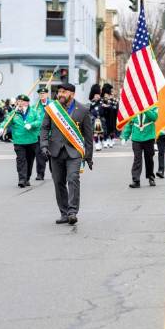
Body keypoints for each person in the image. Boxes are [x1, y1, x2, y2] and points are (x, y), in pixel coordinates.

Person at [40, 83, 94, 225]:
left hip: (74, 152)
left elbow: (88, 135)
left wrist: (89, 156)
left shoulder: (82, 110)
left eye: (64, 92)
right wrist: (44, 145)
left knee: (73, 179)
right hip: (55, 151)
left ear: (72, 94)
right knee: (59, 183)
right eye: (59, 92)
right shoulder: (52, 109)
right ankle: (64, 213)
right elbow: (44, 129)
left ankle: (72, 212)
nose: (60, 94)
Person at [8, 94, 42, 188]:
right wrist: (1, 128)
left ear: (27, 103)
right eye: (19, 101)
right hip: (19, 141)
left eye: (23, 101)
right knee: (21, 160)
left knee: (30, 160)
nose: (20, 103)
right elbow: (6, 121)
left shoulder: (34, 112)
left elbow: (39, 122)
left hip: (31, 140)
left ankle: (27, 178)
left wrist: (31, 124)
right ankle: (22, 179)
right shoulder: (13, 113)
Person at [121, 107, 158, 188]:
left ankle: (151, 177)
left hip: (148, 137)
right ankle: (136, 180)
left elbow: (154, 117)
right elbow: (130, 124)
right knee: (137, 159)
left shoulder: (153, 106)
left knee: (149, 158)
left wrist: (145, 109)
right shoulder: (134, 108)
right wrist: (125, 137)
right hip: (136, 138)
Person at [33, 87, 51, 180]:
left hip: (51, 133)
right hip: (39, 134)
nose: (42, 95)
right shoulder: (35, 106)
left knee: (53, 153)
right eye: (40, 94)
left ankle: (54, 172)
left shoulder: (53, 104)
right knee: (39, 154)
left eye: (43, 94)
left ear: (47, 94)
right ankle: (40, 173)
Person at [101, 84, 119, 148]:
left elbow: (115, 107)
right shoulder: (102, 100)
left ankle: (111, 140)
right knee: (105, 129)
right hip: (104, 116)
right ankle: (106, 140)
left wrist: (109, 106)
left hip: (112, 116)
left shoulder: (114, 100)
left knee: (111, 129)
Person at [88, 84, 106, 151]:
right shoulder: (92, 103)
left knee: (101, 134)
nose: (97, 96)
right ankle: (96, 143)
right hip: (94, 119)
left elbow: (104, 109)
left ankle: (100, 142)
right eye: (96, 95)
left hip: (101, 119)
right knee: (95, 133)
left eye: (98, 95)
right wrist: (94, 101)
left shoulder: (102, 101)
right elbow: (90, 110)